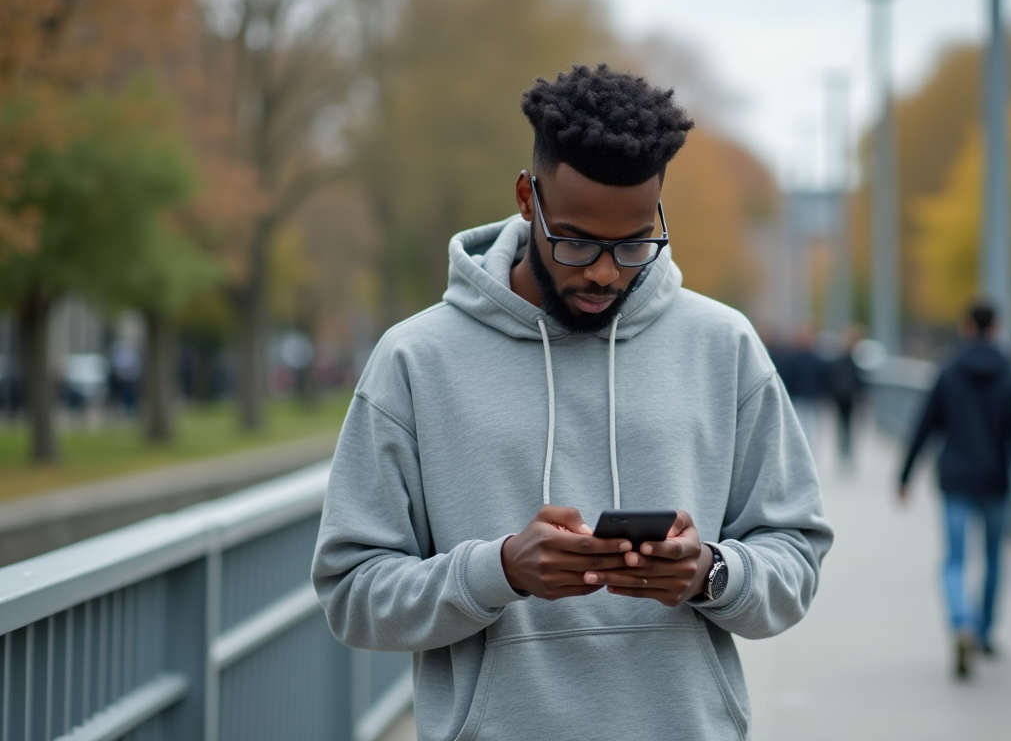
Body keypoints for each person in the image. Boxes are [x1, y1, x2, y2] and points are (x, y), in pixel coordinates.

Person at [312, 64, 833, 741]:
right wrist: (498, 570)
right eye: (577, 240)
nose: (604, 272)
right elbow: (351, 593)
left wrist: (711, 573)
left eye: (634, 243)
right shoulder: (415, 360)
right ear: (527, 198)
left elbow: (795, 554)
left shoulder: (723, 345)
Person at [896, 300, 1011, 680]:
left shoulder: (949, 371)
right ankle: (984, 631)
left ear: (966, 326)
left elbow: (925, 425)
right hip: (995, 479)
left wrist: (905, 476)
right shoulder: (1010, 374)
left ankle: (961, 622)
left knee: (954, 560)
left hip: (955, 479)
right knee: (993, 559)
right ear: (996, 329)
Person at [777, 326, 826, 444]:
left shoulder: (815, 359)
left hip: (811, 397)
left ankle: (810, 448)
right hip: (798, 397)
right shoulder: (792, 359)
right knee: (800, 425)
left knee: (811, 426)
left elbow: (822, 378)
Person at [825, 325, 864, 467]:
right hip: (844, 395)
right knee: (845, 425)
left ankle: (845, 452)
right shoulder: (851, 359)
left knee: (845, 425)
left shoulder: (850, 359)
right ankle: (844, 452)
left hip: (845, 395)